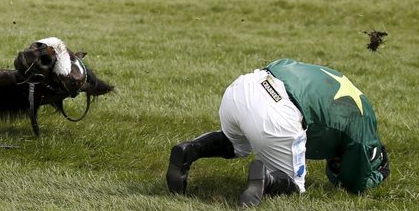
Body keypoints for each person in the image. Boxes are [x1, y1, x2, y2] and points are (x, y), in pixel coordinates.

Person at [166, 59, 389, 207]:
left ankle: (190, 150)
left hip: (244, 87)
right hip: (278, 111)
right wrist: (378, 176)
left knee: (236, 143)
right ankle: (267, 178)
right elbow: (355, 181)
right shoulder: (364, 123)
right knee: (295, 187)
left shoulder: (336, 79)